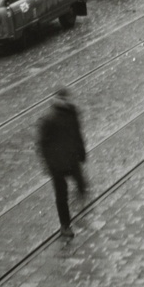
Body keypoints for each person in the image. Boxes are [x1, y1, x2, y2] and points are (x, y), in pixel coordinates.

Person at [37, 87, 87, 238]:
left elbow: (77, 134)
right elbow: (42, 144)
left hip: (66, 160)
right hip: (61, 161)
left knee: (72, 189)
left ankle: (67, 223)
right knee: (63, 194)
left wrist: (81, 152)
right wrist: (48, 163)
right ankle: (65, 225)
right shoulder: (51, 119)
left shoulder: (70, 114)